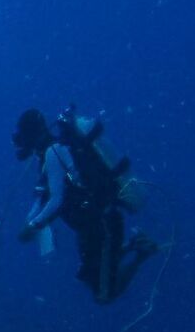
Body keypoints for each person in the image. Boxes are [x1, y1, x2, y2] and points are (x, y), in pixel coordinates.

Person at [13, 107, 158, 304]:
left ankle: (141, 252)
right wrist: (32, 220)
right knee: (93, 277)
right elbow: (43, 196)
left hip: (102, 225)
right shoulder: (51, 155)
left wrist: (33, 227)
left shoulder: (53, 153)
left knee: (105, 294)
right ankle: (135, 244)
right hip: (90, 229)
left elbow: (57, 199)